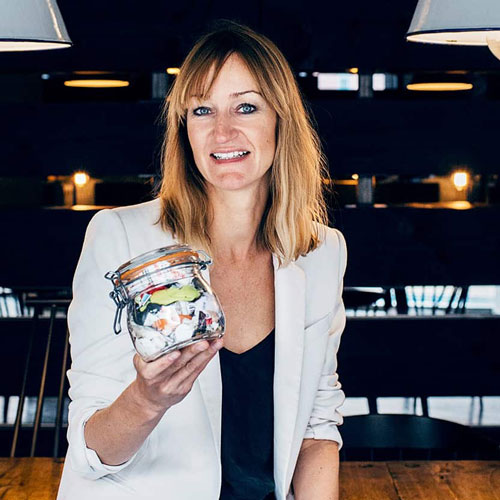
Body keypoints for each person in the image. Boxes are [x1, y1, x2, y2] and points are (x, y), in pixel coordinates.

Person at [57, 20, 347, 500]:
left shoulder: (321, 251)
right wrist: (146, 400)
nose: (223, 131)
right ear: (184, 130)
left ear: (282, 121)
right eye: (202, 110)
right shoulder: (122, 238)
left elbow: (316, 430)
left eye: (246, 107)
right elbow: (91, 451)